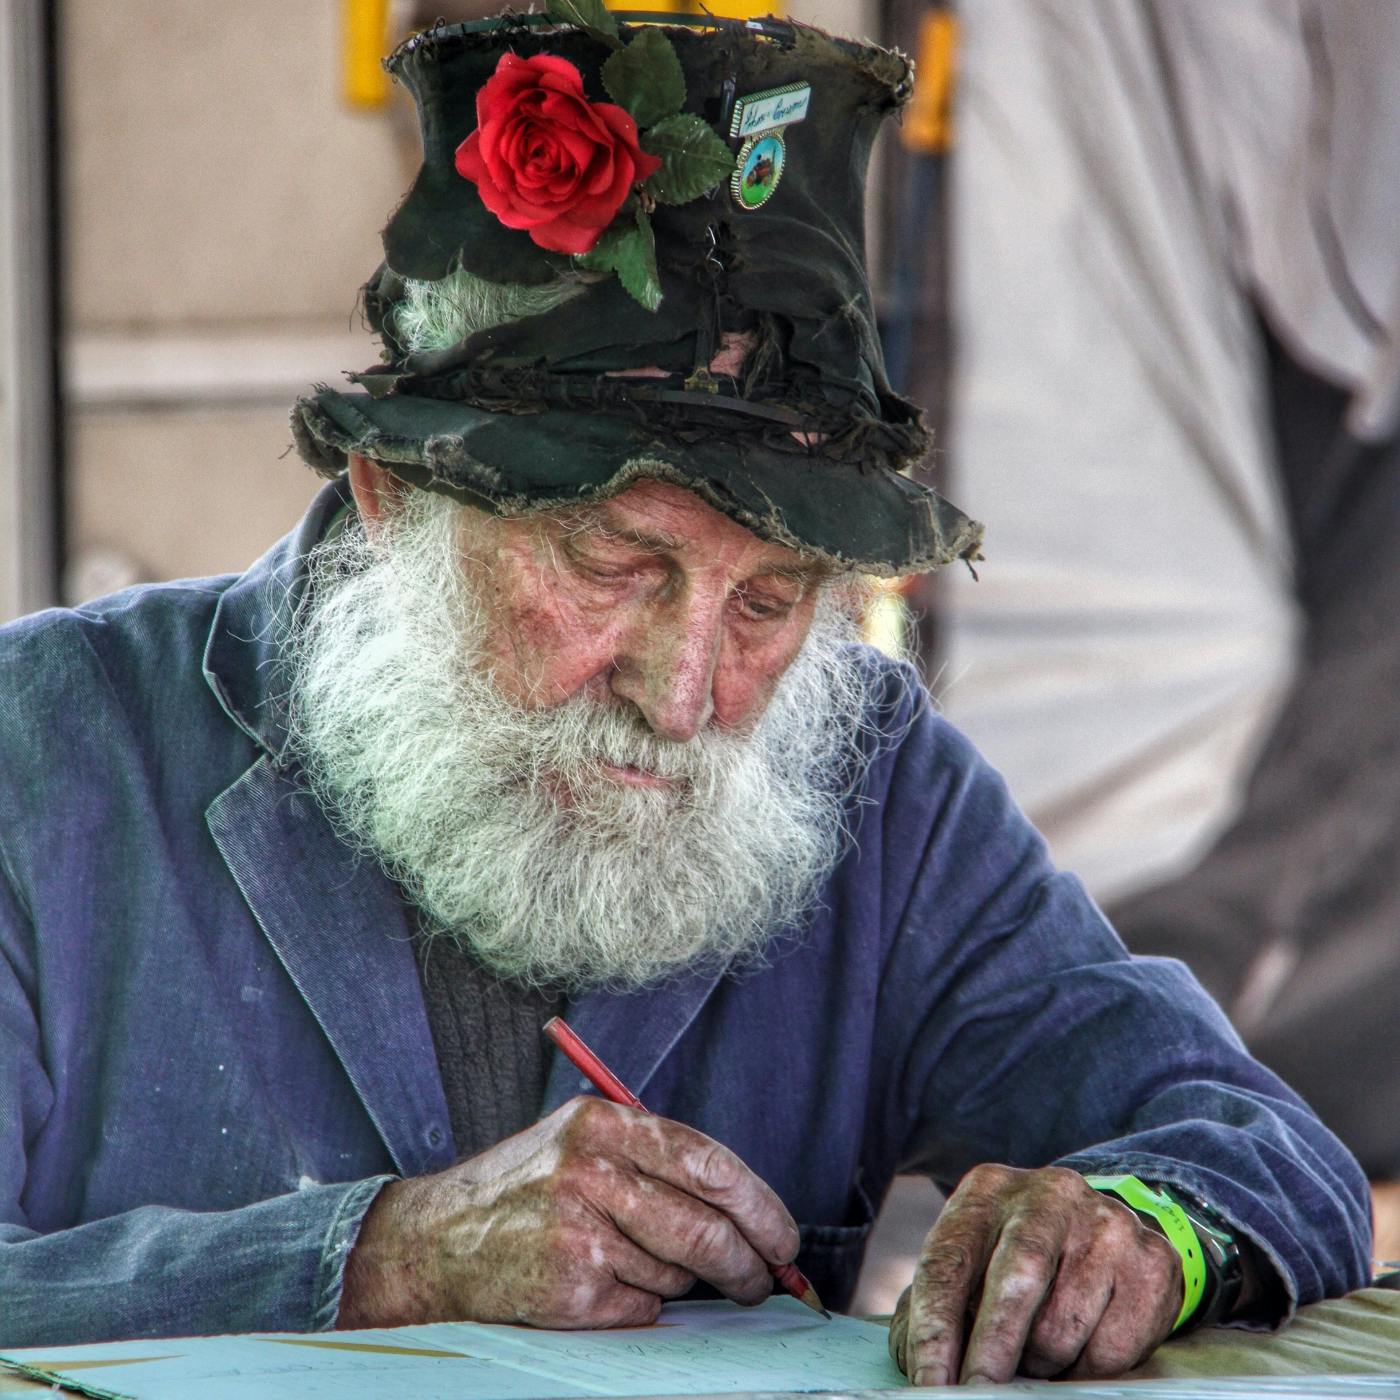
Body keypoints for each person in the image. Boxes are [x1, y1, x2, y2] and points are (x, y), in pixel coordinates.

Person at [0, 8, 1370, 1383]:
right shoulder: (48, 744)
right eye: (614, 566)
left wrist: (1138, 1228)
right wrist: (379, 1259)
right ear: (397, 496)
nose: (685, 691)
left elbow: (1257, 1146)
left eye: (769, 602)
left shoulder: (869, 783)